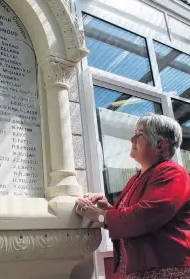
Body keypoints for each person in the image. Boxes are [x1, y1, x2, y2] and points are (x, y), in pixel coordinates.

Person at [75, 113, 190, 279]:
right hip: (142, 269)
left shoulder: (172, 173)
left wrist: (100, 216)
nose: (132, 138)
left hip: (166, 269)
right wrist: (107, 209)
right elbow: (130, 216)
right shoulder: (138, 177)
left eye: (140, 134)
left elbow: (146, 216)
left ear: (160, 145)